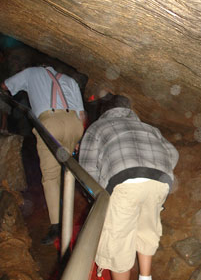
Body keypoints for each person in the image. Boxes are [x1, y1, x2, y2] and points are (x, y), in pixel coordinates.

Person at [79, 93, 179, 280]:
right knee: (147, 229)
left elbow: (87, 167)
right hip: (160, 179)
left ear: (105, 112)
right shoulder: (148, 127)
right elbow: (173, 154)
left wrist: (96, 196)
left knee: (118, 242)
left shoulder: (97, 127)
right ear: (129, 110)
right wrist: (153, 172)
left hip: (123, 180)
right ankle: (145, 277)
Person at [1, 65, 86, 245]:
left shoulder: (31, 72)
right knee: (68, 170)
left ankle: (57, 224)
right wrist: (78, 139)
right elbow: (81, 114)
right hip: (74, 124)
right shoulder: (70, 80)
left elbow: (6, 86)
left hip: (51, 123)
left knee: (50, 177)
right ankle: (70, 205)